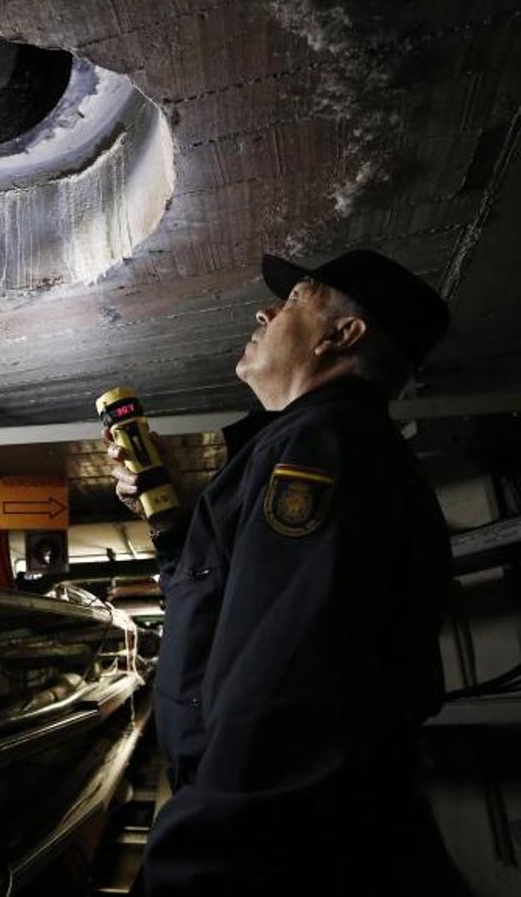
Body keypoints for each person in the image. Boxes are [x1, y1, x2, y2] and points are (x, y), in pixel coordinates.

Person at [107, 249, 469, 895]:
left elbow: (286, 696)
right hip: (281, 837)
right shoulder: (308, 446)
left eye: (296, 299)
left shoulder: (325, 452)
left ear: (341, 335)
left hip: (272, 853)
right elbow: (232, 605)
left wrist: (194, 870)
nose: (264, 310)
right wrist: (171, 528)